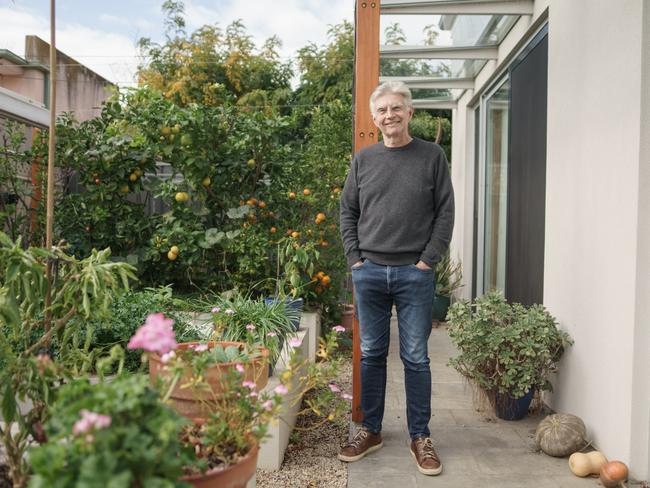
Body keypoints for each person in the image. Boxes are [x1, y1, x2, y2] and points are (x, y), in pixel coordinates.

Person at [337, 81, 454, 476]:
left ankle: (420, 435)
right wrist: (355, 259)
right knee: (371, 353)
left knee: (416, 358)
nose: (390, 115)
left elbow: (445, 212)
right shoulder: (363, 160)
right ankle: (370, 430)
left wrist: (427, 260)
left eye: (396, 108)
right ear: (375, 118)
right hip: (368, 272)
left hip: (413, 274)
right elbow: (347, 212)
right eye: (382, 110)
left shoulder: (431, 156)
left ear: (410, 112)